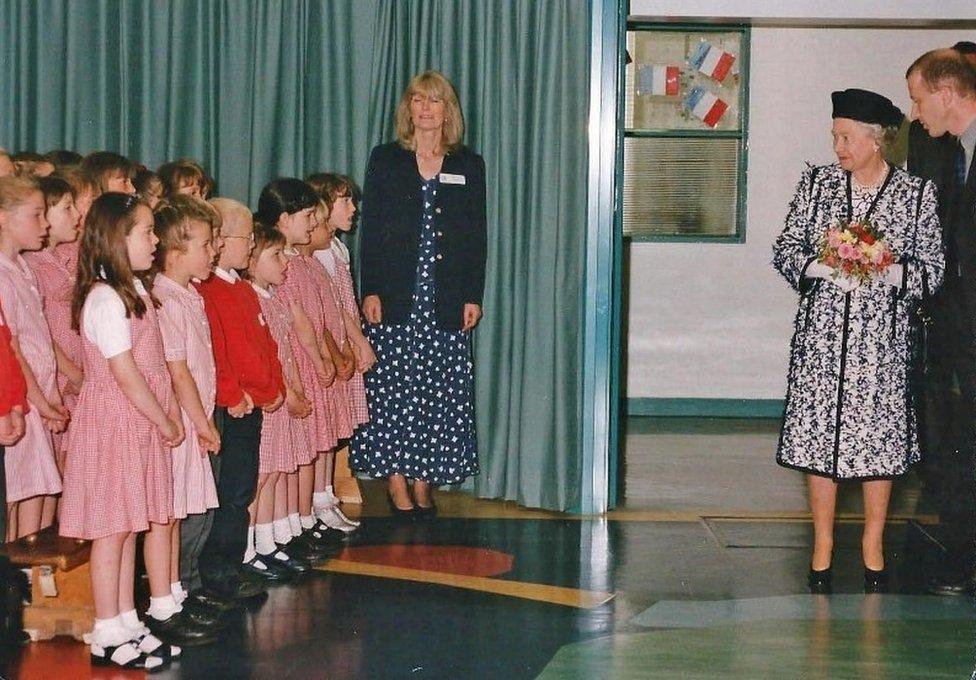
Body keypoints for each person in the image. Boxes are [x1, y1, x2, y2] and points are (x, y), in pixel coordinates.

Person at [772, 88, 944, 593]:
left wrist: (888, 271)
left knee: (880, 448)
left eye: (846, 138)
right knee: (816, 441)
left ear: (877, 141)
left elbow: (933, 271)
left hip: (882, 345)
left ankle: (872, 543)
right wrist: (821, 264)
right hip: (822, 342)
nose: (838, 147)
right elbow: (785, 248)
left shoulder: (916, 195)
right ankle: (822, 543)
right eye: (834, 136)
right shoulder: (818, 185)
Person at [352, 70, 486, 518]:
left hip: (444, 297)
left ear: (448, 110)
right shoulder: (386, 159)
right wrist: (368, 288)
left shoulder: (468, 164)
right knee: (393, 389)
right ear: (407, 108)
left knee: (439, 392)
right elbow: (369, 232)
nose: (425, 109)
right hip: (395, 295)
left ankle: (425, 481)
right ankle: (396, 482)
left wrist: (472, 293)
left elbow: (475, 236)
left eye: (434, 101)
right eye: (417, 100)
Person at [59, 192, 183, 670]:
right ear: (117, 238)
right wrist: (164, 418)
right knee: (112, 530)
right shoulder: (106, 298)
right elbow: (125, 373)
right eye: (147, 232)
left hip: (134, 424)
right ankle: (105, 631)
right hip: (116, 423)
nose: (155, 241)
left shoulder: (131, 288)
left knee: (129, 522)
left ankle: (128, 620)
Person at [906, 48, 976, 596]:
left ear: (947, 94)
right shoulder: (943, 154)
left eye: (918, 97)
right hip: (960, 332)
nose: (915, 112)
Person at [195, 197, 283, 600]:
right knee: (229, 492)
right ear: (222, 240)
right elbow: (216, 354)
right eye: (247, 238)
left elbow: (264, 345)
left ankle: (232, 564)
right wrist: (233, 394)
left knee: (241, 490)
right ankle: (218, 572)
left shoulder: (242, 290)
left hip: (251, 406)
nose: (251, 246)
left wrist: (272, 388)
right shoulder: (209, 291)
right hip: (233, 407)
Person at [149, 195, 224, 645]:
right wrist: (201, 421)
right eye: (205, 244)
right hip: (183, 421)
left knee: (187, 512)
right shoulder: (165, 299)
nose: (212, 251)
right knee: (175, 512)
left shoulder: (188, 294)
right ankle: (170, 597)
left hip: (197, 416)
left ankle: (180, 591)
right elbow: (178, 371)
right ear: (175, 251)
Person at [0, 177, 67, 540]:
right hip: (18, 401)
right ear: (3, 218)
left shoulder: (23, 268)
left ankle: (31, 584)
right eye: (36, 215)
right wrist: (39, 400)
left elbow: (40, 341)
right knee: (15, 494)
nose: (44, 225)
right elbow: (12, 348)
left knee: (39, 490)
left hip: (36, 397)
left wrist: (51, 393)